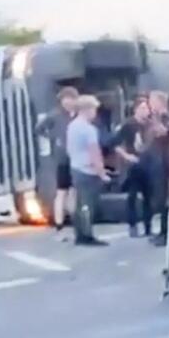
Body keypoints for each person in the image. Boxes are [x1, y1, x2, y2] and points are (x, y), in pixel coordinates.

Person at [66, 95, 111, 246]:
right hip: (88, 171)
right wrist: (102, 173)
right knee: (88, 205)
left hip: (76, 168)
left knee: (80, 204)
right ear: (87, 109)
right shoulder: (89, 129)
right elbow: (94, 153)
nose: (95, 113)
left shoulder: (72, 126)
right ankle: (87, 235)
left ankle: (79, 234)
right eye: (94, 109)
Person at [34, 86, 79, 232]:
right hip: (62, 158)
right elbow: (38, 129)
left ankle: (73, 218)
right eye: (66, 99)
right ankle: (59, 222)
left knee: (73, 190)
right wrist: (53, 138)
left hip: (76, 157)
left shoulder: (77, 115)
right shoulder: (54, 115)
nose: (69, 102)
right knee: (62, 190)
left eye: (72, 99)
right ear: (61, 100)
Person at [111, 98, 153, 237]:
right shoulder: (129, 125)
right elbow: (115, 143)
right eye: (142, 108)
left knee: (149, 196)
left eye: (146, 108)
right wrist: (127, 156)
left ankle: (148, 226)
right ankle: (132, 225)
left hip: (148, 164)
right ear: (135, 109)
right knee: (132, 196)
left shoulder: (150, 124)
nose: (145, 111)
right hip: (133, 165)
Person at [147, 90, 169, 246]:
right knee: (159, 198)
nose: (150, 104)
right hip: (158, 160)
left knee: (163, 198)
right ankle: (162, 231)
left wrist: (156, 125)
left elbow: (166, 132)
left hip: (164, 161)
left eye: (151, 101)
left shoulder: (165, 116)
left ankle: (165, 233)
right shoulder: (157, 117)